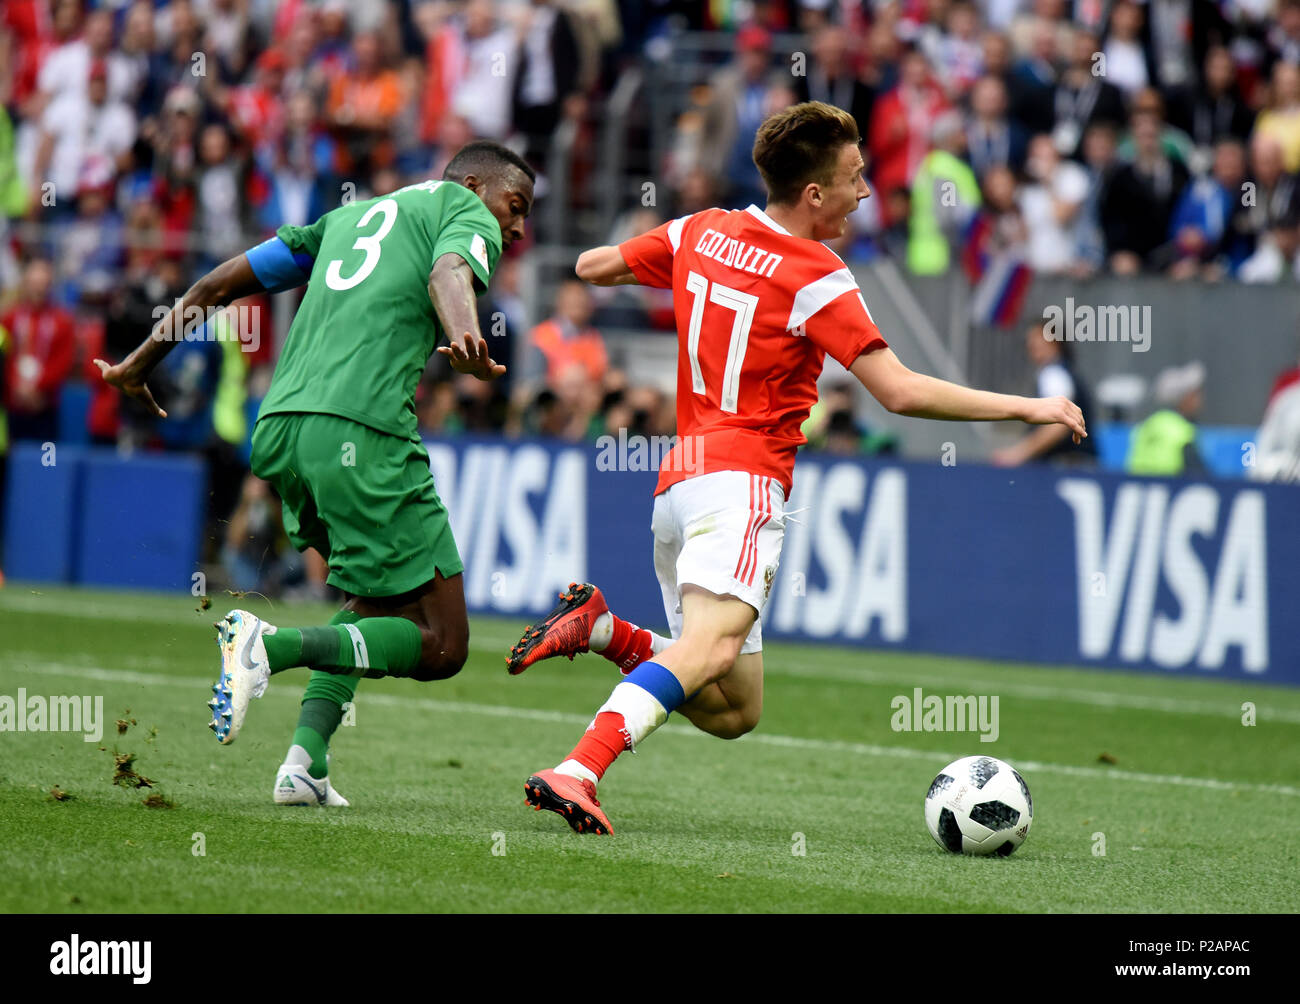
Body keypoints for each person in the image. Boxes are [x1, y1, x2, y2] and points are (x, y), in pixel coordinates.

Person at [506, 102, 1086, 835]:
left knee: (734, 709)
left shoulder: (701, 229)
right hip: (741, 486)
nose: (867, 191)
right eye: (855, 178)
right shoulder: (818, 274)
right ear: (815, 195)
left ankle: (598, 629)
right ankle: (578, 769)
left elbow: (593, 266)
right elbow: (900, 391)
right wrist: (1028, 407)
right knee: (709, 648)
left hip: (679, 482)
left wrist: (680, 269)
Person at [96, 141, 534, 806]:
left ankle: (306, 763)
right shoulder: (463, 211)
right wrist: (465, 336)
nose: (519, 226)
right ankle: (266, 646)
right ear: (476, 184)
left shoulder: (348, 218)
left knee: (376, 602)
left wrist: (138, 363)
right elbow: (449, 273)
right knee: (443, 645)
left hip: (281, 431)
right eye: (516, 205)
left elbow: (215, 286)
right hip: (361, 430)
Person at [991, 322, 1097, 466]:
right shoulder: (1062, 371)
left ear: (1055, 342)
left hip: (1066, 466)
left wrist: (1018, 454)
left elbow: (1061, 423)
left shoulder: (1053, 374)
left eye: (1038, 338)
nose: (1031, 342)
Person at [1127, 362, 1207, 476]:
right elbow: (1200, 476)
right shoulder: (1182, 431)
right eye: (1195, 394)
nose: (1199, 400)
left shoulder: (1147, 425)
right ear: (1184, 398)